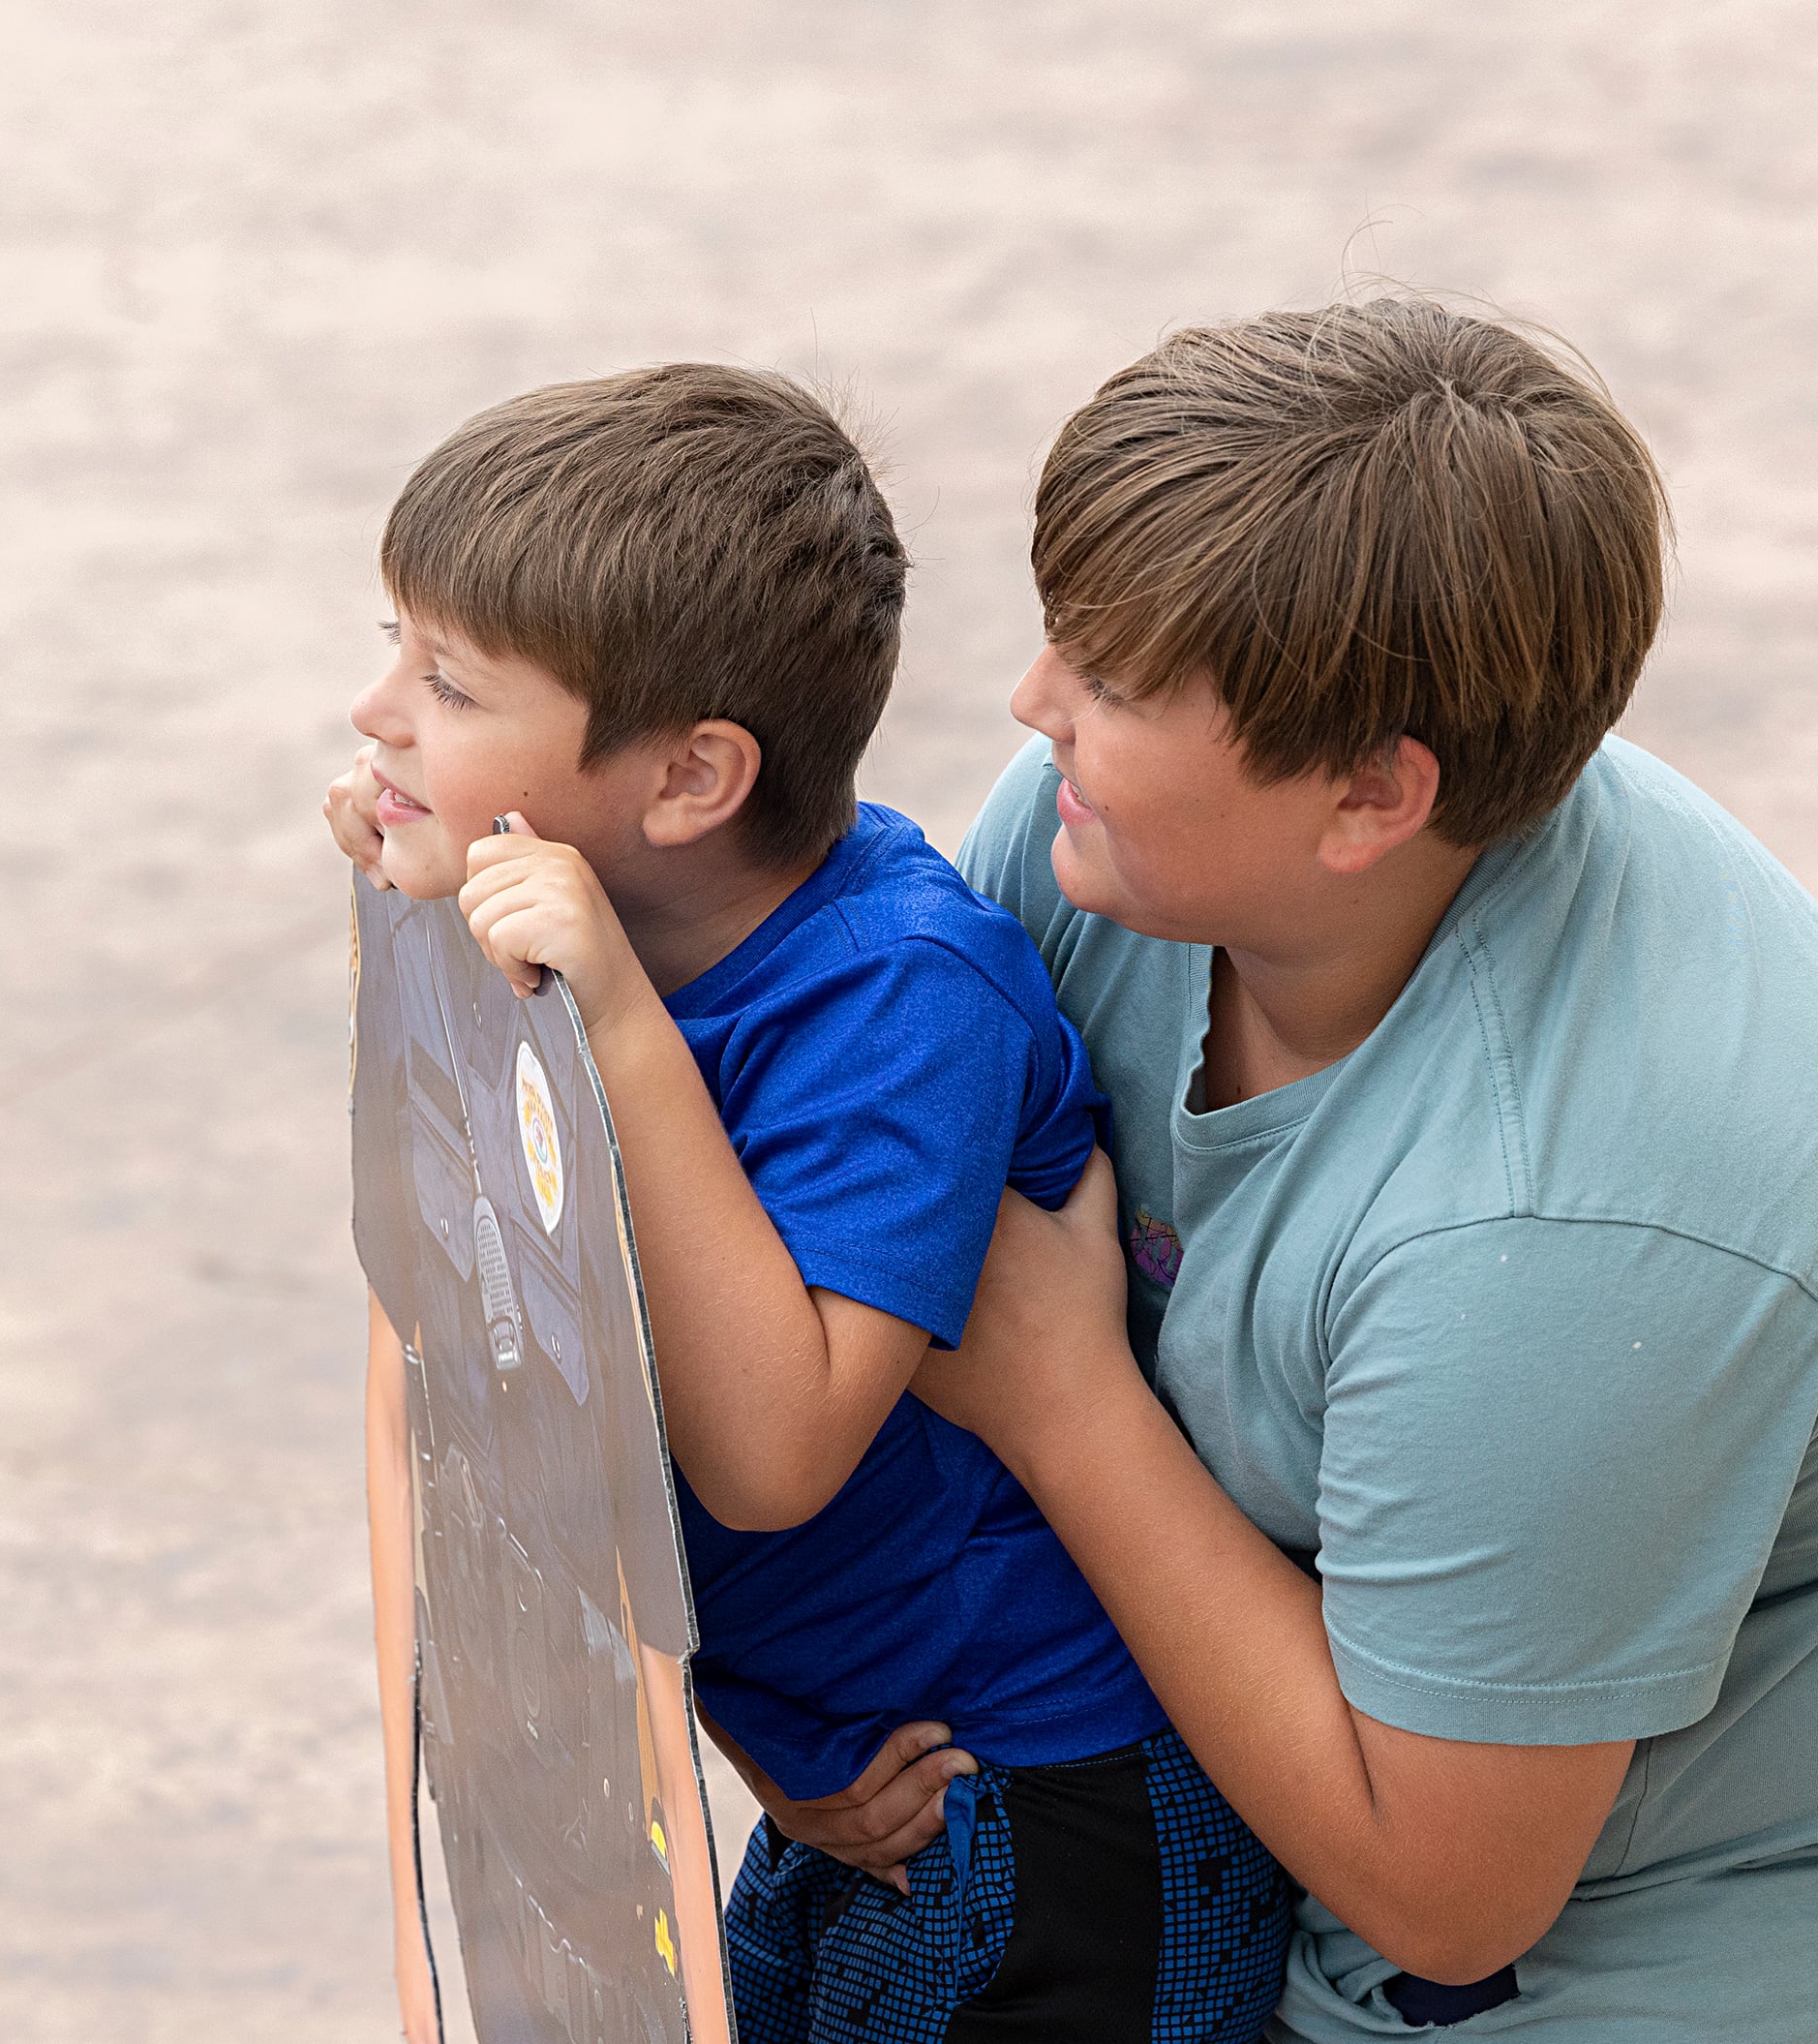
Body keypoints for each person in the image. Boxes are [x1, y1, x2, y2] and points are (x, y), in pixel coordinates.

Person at [748, 301, 1818, 2042]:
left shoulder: (1563, 1225)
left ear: (1369, 801)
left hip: (1668, 1904)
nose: (1031, 712)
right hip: (1334, 1699)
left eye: (1107, 682)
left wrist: (1063, 1399)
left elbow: (1449, 1899)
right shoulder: (1098, 843)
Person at [328, 363, 1296, 2042]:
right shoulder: (605, 952)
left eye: (450, 683)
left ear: (692, 782)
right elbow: (547, 1383)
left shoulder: (899, 998)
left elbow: (772, 1452)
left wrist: (616, 1017)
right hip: (852, 1782)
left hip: (1044, 1818)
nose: (377, 712)